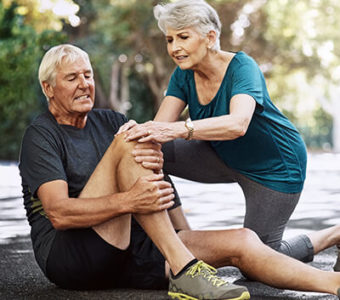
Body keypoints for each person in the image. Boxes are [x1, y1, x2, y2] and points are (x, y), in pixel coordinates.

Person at [19, 44, 340, 300]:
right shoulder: (42, 136)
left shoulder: (109, 121)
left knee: (243, 241)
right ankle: (184, 269)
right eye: (71, 78)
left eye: (87, 75)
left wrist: (184, 237)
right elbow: (59, 214)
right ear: (48, 88)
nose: (84, 84)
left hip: (135, 248)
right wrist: (130, 202)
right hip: (72, 256)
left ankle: (332, 283)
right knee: (132, 139)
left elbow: (155, 174)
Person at [120, 0, 336, 266]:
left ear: (210, 37)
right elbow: (159, 132)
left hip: (276, 166)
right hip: (222, 156)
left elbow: (237, 124)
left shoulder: (243, 68)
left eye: (183, 37)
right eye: (170, 39)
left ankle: (334, 235)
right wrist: (141, 131)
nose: (174, 48)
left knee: (259, 263)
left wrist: (174, 129)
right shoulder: (183, 75)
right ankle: (183, 240)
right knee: (144, 151)